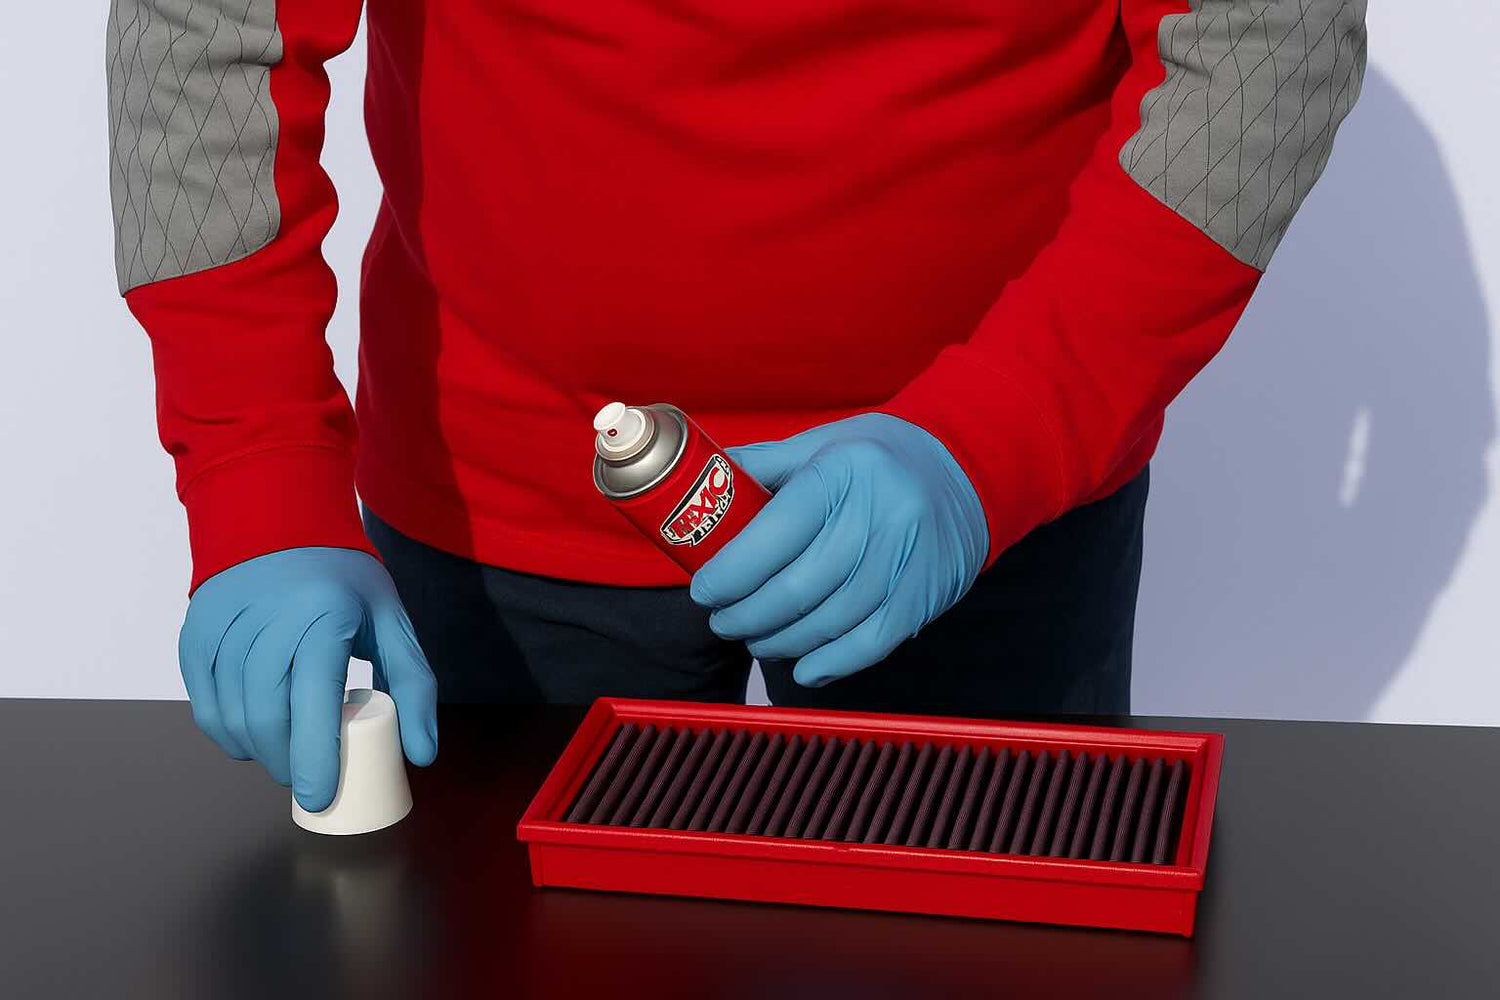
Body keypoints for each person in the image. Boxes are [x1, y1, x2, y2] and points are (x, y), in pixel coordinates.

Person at [106, 1, 1367, 812]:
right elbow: (206, 28)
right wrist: (259, 476)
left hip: (985, 510)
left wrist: (1003, 433)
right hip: (501, 498)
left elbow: (1270, 39)